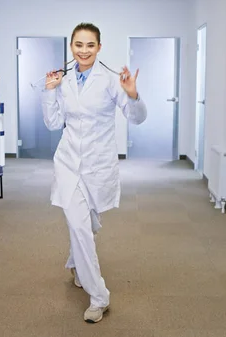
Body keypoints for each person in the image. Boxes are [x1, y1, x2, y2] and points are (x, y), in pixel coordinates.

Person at [40, 22, 147, 323]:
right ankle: (99, 296)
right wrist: (49, 92)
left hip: (98, 164)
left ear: (99, 47)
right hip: (69, 164)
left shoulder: (112, 81)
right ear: (71, 47)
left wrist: (134, 95)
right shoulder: (63, 81)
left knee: (89, 224)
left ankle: (76, 262)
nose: (83, 51)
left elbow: (136, 119)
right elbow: (52, 123)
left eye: (90, 45)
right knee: (80, 226)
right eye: (78, 44)